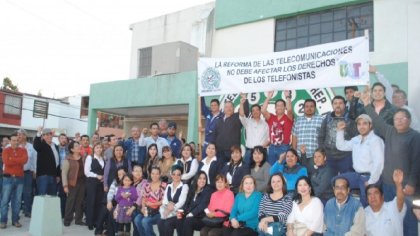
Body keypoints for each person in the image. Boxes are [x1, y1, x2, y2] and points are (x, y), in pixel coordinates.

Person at [360, 87, 420, 236]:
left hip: (407, 188)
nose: (398, 121)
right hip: (387, 185)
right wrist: (367, 104)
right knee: (391, 219)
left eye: (402, 119)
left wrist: (412, 184)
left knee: (408, 221)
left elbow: (417, 162)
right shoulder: (390, 131)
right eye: (396, 119)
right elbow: (378, 121)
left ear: (409, 120)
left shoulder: (415, 136)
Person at [336, 114, 384, 206]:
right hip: (357, 175)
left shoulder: (375, 140)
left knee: (366, 203)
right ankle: (347, 208)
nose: (361, 126)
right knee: (337, 180)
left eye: (365, 124)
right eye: (359, 124)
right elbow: (341, 146)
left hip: (370, 177)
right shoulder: (357, 139)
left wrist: (371, 181)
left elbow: (379, 163)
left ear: (370, 125)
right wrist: (340, 131)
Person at [318, 96, 357, 175]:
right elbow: (321, 136)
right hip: (329, 157)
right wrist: (323, 151)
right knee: (330, 182)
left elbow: (355, 136)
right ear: (332, 105)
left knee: (347, 180)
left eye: (340, 103)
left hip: (346, 157)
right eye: (335, 103)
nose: (338, 105)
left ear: (344, 105)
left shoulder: (350, 119)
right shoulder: (327, 118)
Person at [365, 169, 406, 236]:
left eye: (376, 193)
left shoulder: (392, 207)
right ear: (367, 199)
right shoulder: (364, 213)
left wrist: (398, 184)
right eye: (369, 194)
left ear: (382, 196)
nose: (373, 197)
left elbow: (400, 200)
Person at [0, 132, 28, 229]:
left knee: (17, 201)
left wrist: (13, 159)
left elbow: (24, 160)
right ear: (10, 141)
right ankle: (3, 221)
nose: (15, 142)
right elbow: (6, 161)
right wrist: (17, 160)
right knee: (5, 200)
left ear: (19, 141)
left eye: (17, 140)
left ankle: (15, 220)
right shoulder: (5, 150)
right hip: (8, 178)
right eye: (13, 140)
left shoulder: (23, 150)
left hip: (19, 178)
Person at [291, 99, 324, 175]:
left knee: (314, 178)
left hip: (314, 156)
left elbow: (324, 137)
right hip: (299, 156)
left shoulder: (321, 119)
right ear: (304, 108)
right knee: (301, 177)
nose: (309, 108)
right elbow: (294, 137)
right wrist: (294, 154)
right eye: (307, 106)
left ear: (315, 108)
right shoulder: (297, 120)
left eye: (311, 106)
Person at [261, 90, 294, 166]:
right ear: (275, 108)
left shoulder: (288, 118)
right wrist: (269, 97)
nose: (279, 107)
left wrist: (287, 97)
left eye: (282, 105)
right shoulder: (271, 117)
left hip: (284, 147)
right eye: (278, 105)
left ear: (284, 107)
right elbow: (263, 110)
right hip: (272, 147)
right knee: (272, 169)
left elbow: (289, 110)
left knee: (283, 169)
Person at [176, 171, 213, 236]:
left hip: (201, 218)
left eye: (204, 178)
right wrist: (182, 211)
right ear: (196, 179)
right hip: (190, 216)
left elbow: (202, 206)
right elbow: (187, 203)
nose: (202, 180)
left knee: (188, 221)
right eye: (200, 178)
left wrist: (191, 214)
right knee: (179, 219)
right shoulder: (192, 188)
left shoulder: (208, 190)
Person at [215, 96, 249, 165]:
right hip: (220, 152)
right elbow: (216, 135)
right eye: (226, 107)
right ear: (223, 109)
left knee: (233, 171)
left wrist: (244, 100)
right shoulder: (219, 120)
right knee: (221, 172)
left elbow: (245, 111)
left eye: (230, 106)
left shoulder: (237, 117)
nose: (229, 108)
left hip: (233, 152)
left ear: (233, 108)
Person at [134, 166, 167, 236]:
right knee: (137, 219)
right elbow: (143, 198)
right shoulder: (147, 185)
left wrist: (152, 204)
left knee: (145, 221)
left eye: (157, 174)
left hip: (158, 212)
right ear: (150, 174)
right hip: (148, 211)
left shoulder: (164, 185)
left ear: (160, 174)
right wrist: (143, 207)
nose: (154, 176)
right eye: (153, 173)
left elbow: (164, 201)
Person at [157, 165, 189, 236]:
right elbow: (164, 200)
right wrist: (169, 205)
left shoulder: (184, 186)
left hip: (179, 213)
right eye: (174, 174)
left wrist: (171, 208)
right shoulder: (169, 186)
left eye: (178, 174)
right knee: (160, 222)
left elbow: (181, 202)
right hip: (168, 211)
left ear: (181, 175)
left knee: (168, 223)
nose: (176, 176)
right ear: (171, 175)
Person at [239, 95, 269, 165]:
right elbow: (241, 115)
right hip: (249, 152)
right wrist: (241, 103)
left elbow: (269, 138)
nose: (255, 112)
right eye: (253, 110)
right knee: (246, 172)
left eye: (257, 110)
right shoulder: (247, 122)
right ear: (251, 113)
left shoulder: (266, 124)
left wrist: (263, 147)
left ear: (260, 111)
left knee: (262, 172)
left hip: (262, 152)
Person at [62, 141, 86, 226]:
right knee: (70, 202)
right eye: (76, 146)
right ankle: (67, 220)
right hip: (72, 184)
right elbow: (64, 173)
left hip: (82, 183)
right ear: (72, 149)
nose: (79, 146)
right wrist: (65, 186)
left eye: (78, 145)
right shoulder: (68, 159)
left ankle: (78, 220)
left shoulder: (83, 158)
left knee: (80, 202)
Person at [84, 142, 105, 230]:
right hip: (91, 182)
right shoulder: (90, 157)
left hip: (100, 184)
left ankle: (97, 222)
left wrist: (103, 177)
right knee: (91, 202)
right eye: (97, 147)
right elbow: (86, 172)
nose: (99, 149)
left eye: (100, 147)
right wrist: (96, 176)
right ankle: (90, 222)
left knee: (98, 203)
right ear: (94, 149)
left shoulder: (103, 158)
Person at [33, 127, 60, 196]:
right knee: (42, 196)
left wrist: (58, 175)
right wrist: (39, 133)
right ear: (43, 136)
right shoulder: (41, 145)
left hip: (53, 175)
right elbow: (36, 145)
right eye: (46, 135)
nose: (49, 136)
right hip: (43, 176)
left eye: (50, 134)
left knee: (52, 197)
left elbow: (57, 161)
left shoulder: (55, 146)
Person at [17, 128, 37, 218]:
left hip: (28, 173)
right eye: (18, 134)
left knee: (28, 192)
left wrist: (34, 171)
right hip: (16, 173)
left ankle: (27, 210)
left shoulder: (31, 146)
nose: (18, 136)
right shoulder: (14, 145)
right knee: (17, 192)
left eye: (20, 134)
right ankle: (16, 212)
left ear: (25, 136)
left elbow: (34, 160)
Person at [106, 166, 127, 236]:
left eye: (123, 174)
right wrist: (109, 201)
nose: (121, 176)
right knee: (107, 210)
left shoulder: (129, 182)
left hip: (125, 204)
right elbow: (110, 193)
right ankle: (111, 233)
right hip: (116, 202)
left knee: (114, 211)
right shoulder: (115, 181)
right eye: (119, 174)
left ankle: (116, 232)